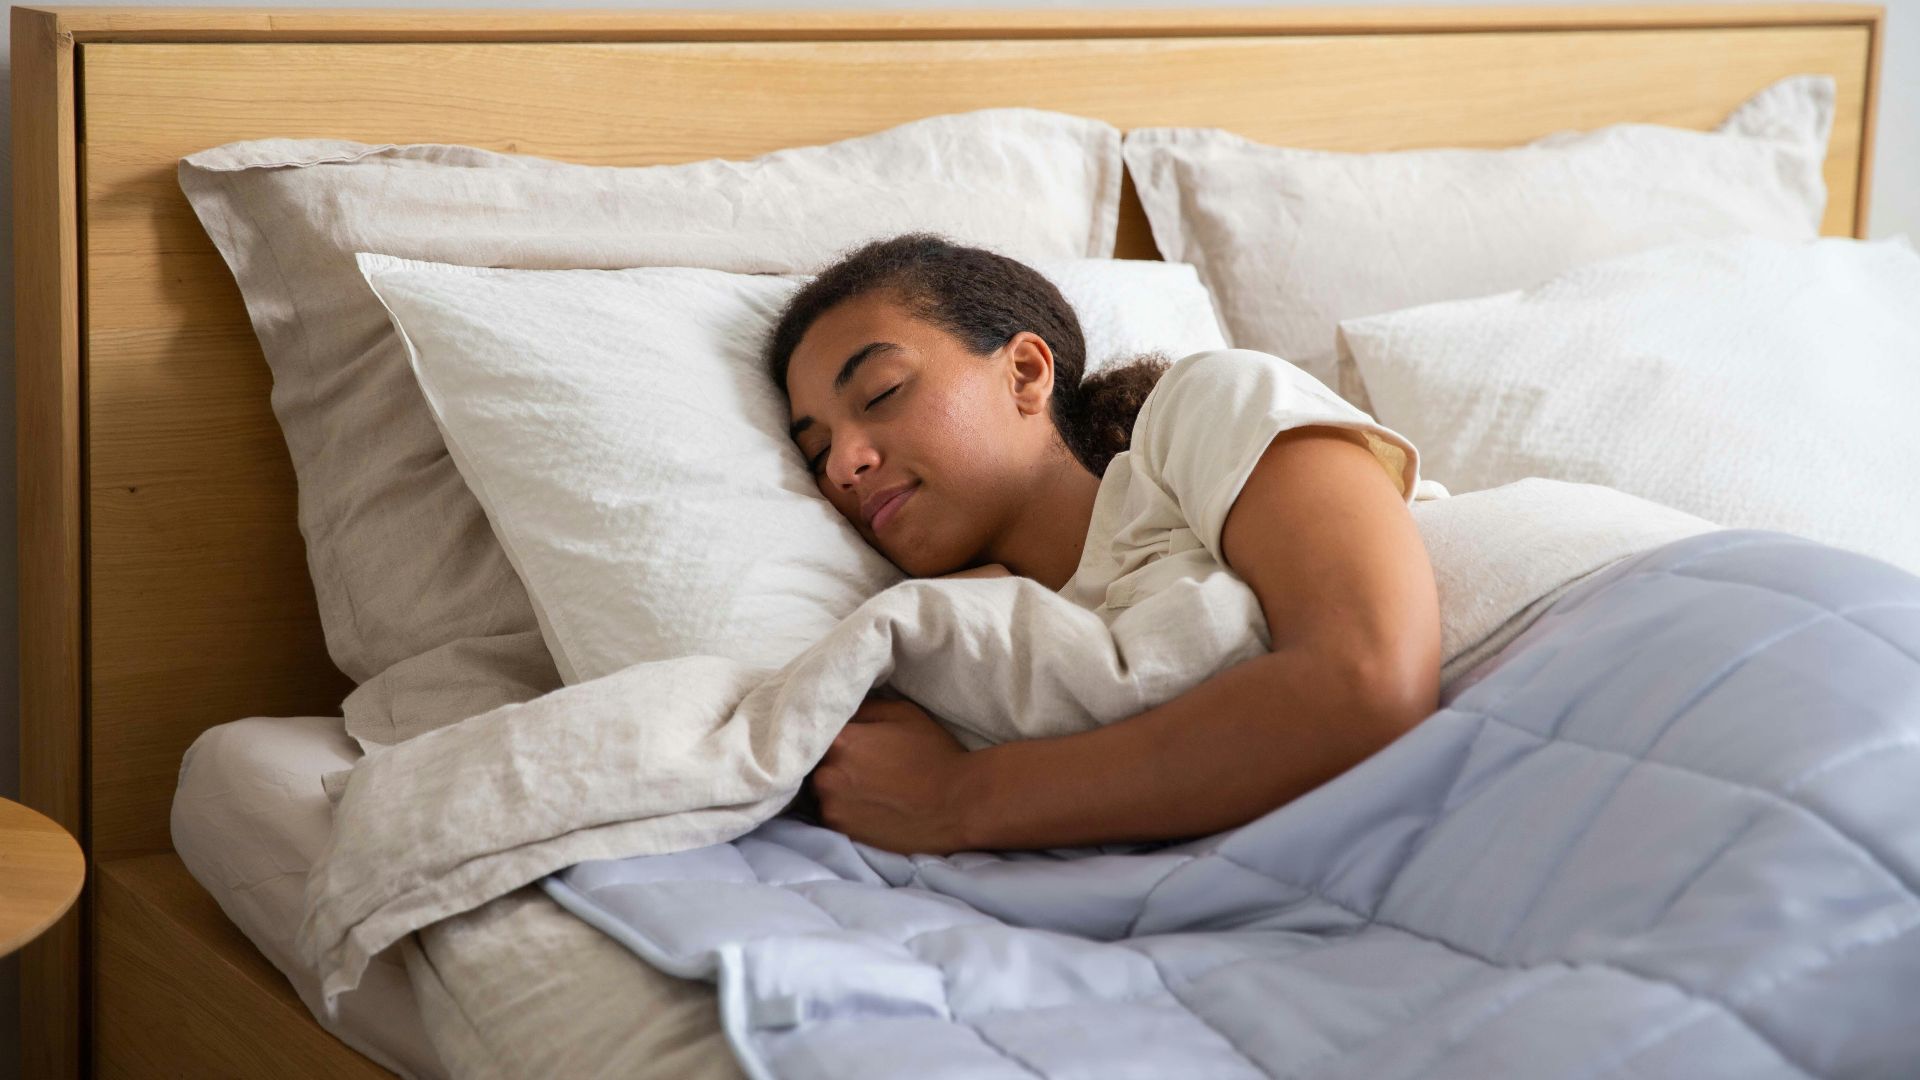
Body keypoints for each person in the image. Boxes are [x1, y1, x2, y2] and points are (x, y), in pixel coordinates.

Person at [768, 232, 1442, 856]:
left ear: (1027, 373)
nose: (842, 465)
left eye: (881, 391)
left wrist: (962, 796)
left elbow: (1368, 679)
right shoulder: (950, 649)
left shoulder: (1207, 408)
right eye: (816, 450)